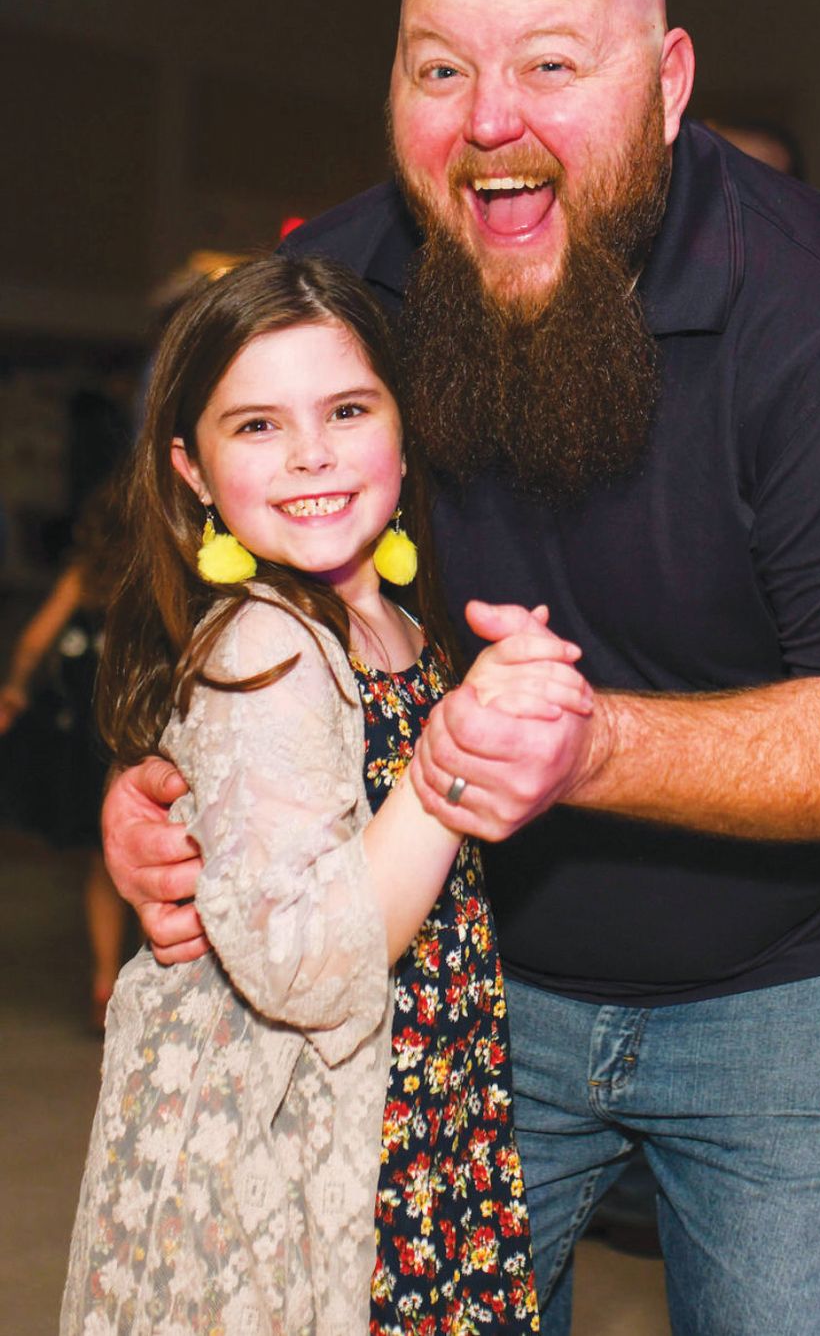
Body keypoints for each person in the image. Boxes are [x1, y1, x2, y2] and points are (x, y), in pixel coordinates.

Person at [103, 0, 820, 1336]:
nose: (487, 118)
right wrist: (168, 782)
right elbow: (212, 547)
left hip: (808, 982)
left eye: (550, 64)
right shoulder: (335, 295)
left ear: (669, 79)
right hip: (461, 964)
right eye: (440, 66)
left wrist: (584, 748)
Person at [63, 254, 594, 1334]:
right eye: (255, 425)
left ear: (403, 427)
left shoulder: (392, 624)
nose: (312, 453)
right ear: (191, 472)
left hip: (420, 1129)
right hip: (324, 1152)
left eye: (347, 408)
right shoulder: (267, 645)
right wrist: (463, 750)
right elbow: (305, 963)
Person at [0, 478, 130, 1028]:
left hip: (89, 739)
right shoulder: (159, 578)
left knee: (103, 864)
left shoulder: (86, 578)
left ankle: (105, 983)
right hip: (143, 734)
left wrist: (15, 686)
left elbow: (35, 640)